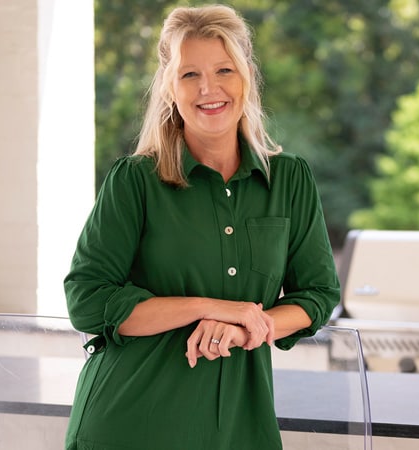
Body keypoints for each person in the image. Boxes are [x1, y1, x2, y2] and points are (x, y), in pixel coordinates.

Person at [63, 5, 340, 449]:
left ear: (246, 75)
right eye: (189, 74)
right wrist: (212, 306)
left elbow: (319, 295)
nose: (208, 89)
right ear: (169, 87)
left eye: (224, 69)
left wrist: (250, 324)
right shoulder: (135, 181)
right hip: (131, 424)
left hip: (239, 428)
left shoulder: (289, 179)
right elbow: (87, 301)